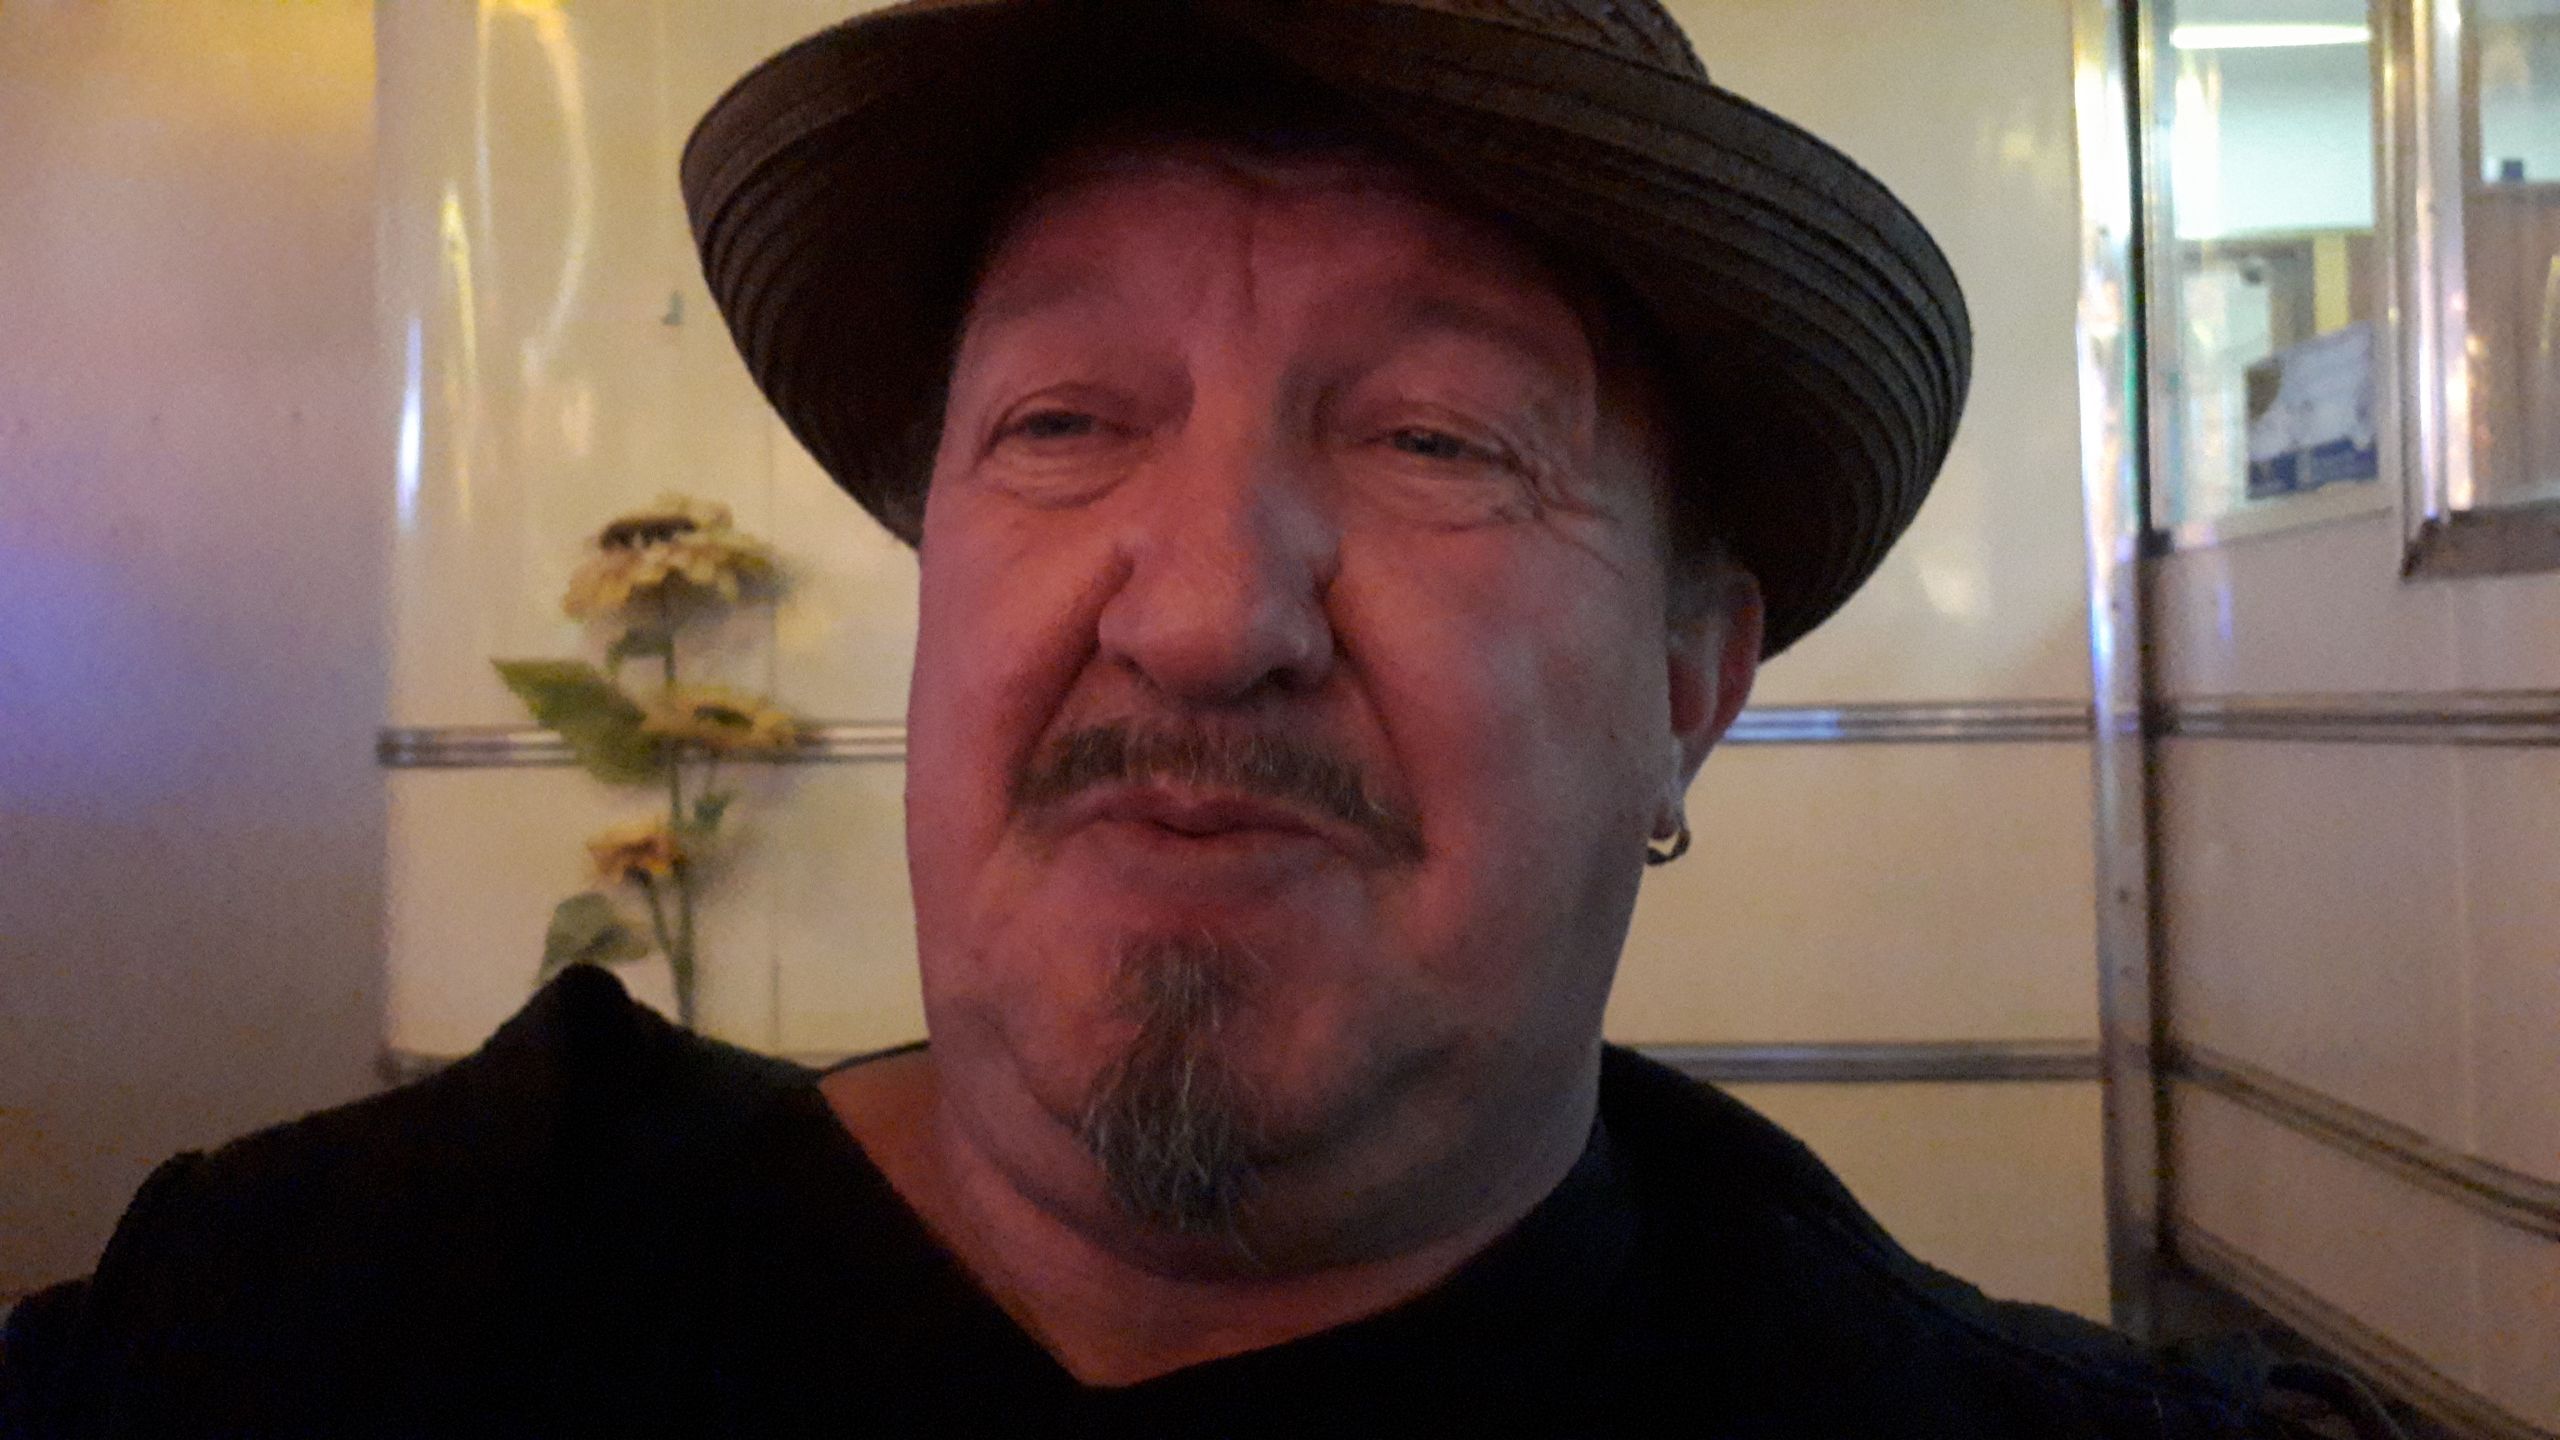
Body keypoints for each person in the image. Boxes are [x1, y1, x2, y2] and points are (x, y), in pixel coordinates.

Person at [3, 2, 2284, 1434]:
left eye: (1434, 440)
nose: (1201, 620)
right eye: (1066, 422)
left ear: (1687, 686)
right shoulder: (312, 1319)